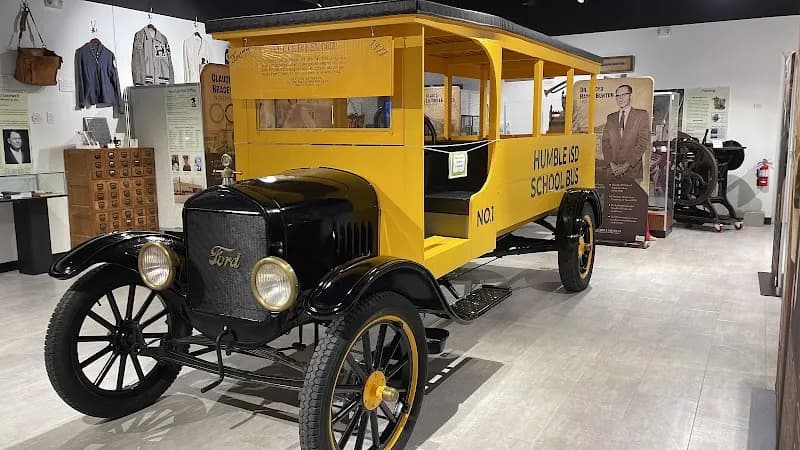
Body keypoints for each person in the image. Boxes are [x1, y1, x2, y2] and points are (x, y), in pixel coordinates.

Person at [601, 84, 650, 183]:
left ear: (630, 96)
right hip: (612, 171)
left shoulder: (641, 115)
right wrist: (612, 164)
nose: (620, 98)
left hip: (632, 171)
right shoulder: (611, 117)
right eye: (618, 96)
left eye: (624, 95)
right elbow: (605, 143)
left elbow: (642, 143)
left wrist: (626, 165)